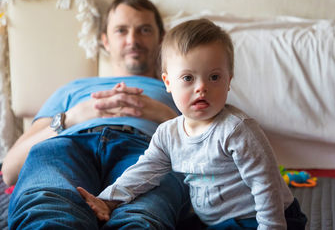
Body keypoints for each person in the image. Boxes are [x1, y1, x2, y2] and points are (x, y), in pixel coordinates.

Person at [77, 19, 308, 230]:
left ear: (229, 80)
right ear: (168, 82)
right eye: (188, 78)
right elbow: (144, 172)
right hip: (215, 219)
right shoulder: (168, 133)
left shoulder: (236, 130)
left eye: (214, 77)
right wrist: (107, 199)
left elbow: (265, 184)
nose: (201, 87)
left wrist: (272, 227)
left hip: (263, 218)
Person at [2, 0, 194, 229]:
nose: (132, 40)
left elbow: (212, 154)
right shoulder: (73, 89)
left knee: (141, 218)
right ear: (105, 41)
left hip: (149, 153)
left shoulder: (183, 85)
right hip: (68, 146)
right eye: (121, 31)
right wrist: (71, 118)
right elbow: (10, 171)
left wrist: (165, 116)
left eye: (144, 30)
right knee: (48, 208)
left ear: (161, 38)